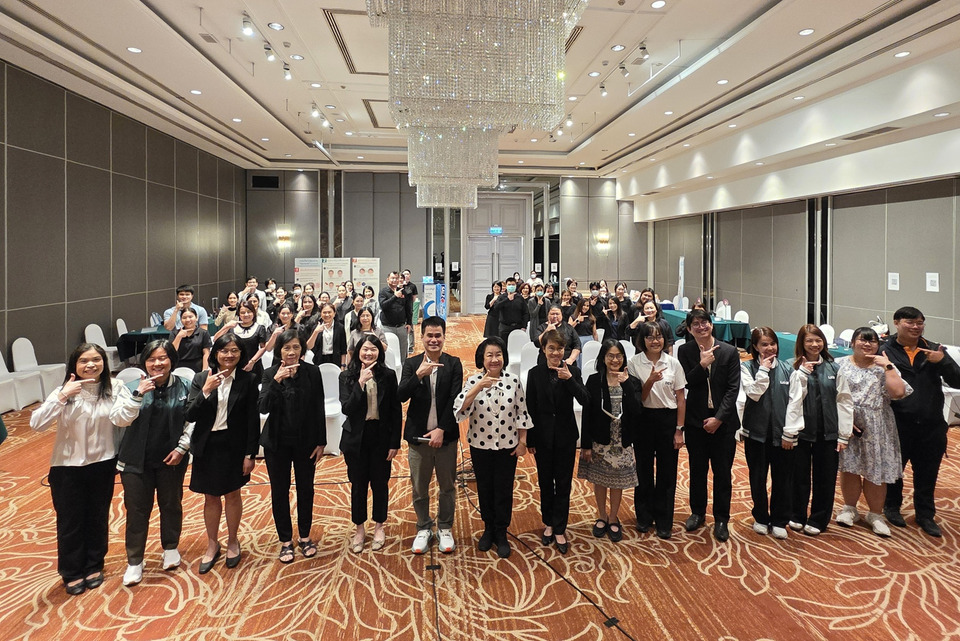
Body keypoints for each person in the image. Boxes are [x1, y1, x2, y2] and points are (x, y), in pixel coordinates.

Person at [30, 344, 125, 595]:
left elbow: (126, 417)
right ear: (74, 365)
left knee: (97, 517)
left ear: (104, 362)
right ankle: (71, 571)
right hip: (67, 467)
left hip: (103, 464)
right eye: (84, 361)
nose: (90, 365)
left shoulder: (115, 388)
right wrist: (62, 396)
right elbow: (37, 424)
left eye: (96, 359)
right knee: (70, 521)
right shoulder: (65, 391)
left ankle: (94, 565)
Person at [110, 340, 192, 586]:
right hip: (135, 460)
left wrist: (182, 448)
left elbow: (192, 421)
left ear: (172, 360)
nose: (157, 363)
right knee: (137, 510)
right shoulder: (130, 387)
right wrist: (138, 395)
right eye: (151, 359)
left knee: (171, 503)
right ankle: (135, 560)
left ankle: (171, 547)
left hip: (171, 458)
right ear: (144, 362)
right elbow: (119, 419)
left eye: (163, 358)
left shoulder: (185, 386)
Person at [880, 306, 960, 537]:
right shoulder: (885, 350)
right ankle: (891, 507)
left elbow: (957, 381)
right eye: (910, 322)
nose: (916, 327)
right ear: (896, 323)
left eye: (920, 323)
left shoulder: (934, 349)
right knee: (895, 470)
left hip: (931, 424)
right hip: (898, 423)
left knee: (927, 473)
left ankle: (925, 514)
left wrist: (942, 361)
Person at [185, 334, 260, 573]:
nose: (229, 355)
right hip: (207, 445)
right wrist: (206, 391)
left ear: (241, 354)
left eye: (234, 350)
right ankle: (212, 543)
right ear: (215, 354)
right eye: (224, 351)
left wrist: (250, 454)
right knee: (210, 497)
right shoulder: (201, 378)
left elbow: (252, 420)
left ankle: (233, 541)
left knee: (233, 494)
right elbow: (190, 414)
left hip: (233, 445)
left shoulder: (248, 380)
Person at [454, 337, 531, 559]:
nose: (494, 359)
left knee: (504, 489)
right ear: (482, 359)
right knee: (485, 488)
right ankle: (488, 528)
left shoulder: (513, 380)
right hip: (480, 445)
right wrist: (477, 387)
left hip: (507, 446)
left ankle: (501, 531)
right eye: (490, 355)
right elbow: (460, 409)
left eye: (498, 354)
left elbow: (521, 412)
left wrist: (523, 442)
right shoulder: (473, 381)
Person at [835, 327, 910, 537]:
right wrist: (843, 421)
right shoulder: (839, 364)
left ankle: (875, 515)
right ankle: (849, 509)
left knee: (876, 471)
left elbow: (899, 392)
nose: (867, 344)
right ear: (852, 343)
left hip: (878, 424)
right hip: (848, 423)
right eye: (862, 340)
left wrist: (887, 366)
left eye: (873, 341)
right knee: (849, 467)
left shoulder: (885, 367)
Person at [258, 330, 326, 563]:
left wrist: (321, 441)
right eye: (286, 348)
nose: (291, 352)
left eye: (296, 347)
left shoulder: (312, 372)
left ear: (302, 349)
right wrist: (277, 381)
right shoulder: (269, 374)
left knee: (306, 489)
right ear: (279, 351)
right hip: (277, 443)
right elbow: (263, 407)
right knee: (280, 490)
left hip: (306, 441)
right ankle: (285, 540)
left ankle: (305, 536)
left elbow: (319, 406)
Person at [398, 317, 464, 555]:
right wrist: (418, 375)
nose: (434, 340)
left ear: (444, 337)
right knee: (419, 487)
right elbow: (400, 396)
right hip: (418, 437)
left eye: (438, 336)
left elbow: (455, 399)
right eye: (429, 336)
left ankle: (445, 527)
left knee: (447, 486)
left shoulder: (453, 364)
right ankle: (424, 526)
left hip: (445, 437)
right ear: (422, 337)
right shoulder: (412, 363)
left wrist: (442, 429)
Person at [782, 324, 854, 537]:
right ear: (801, 343)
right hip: (801, 432)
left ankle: (819, 518)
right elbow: (788, 401)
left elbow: (844, 401)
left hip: (828, 432)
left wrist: (844, 434)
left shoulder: (834, 368)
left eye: (818, 340)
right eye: (809, 341)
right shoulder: (791, 366)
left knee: (825, 478)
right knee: (798, 476)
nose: (814, 344)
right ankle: (796, 514)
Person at [676, 309, 741, 542]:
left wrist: (719, 419)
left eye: (704, 323)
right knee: (697, 469)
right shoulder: (685, 351)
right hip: (696, 421)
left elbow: (733, 389)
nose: (701, 327)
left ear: (711, 325)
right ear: (689, 328)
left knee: (722, 472)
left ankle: (722, 518)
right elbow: (686, 383)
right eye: (696, 324)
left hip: (723, 422)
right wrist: (702, 365)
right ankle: (698, 512)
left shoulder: (729, 351)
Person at [525, 330, 589, 554]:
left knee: (563, 483)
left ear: (565, 350)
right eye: (551, 348)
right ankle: (549, 523)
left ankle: (560, 527)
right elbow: (530, 407)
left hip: (565, 436)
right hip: (542, 437)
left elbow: (585, 399)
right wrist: (530, 438)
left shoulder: (573, 371)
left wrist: (569, 380)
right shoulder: (534, 373)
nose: (555, 353)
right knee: (545, 482)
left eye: (559, 349)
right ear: (544, 349)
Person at [339, 335, 403, 553]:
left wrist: (394, 442)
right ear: (358, 351)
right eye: (365, 349)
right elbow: (347, 409)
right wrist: (360, 382)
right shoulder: (347, 376)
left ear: (379, 353)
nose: (368, 353)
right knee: (358, 486)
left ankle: (379, 526)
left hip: (380, 436)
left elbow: (395, 410)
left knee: (380, 483)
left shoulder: (388, 375)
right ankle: (359, 529)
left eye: (373, 349)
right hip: (356, 438)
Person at [628, 322, 687, 539]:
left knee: (667, 472)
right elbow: (638, 399)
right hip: (643, 419)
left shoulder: (673, 363)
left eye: (659, 336)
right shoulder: (634, 363)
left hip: (668, 421)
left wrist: (679, 430)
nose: (655, 341)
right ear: (642, 340)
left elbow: (680, 399)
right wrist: (650, 381)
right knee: (643, 470)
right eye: (650, 337)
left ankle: (664, 520)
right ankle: (644, 517)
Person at [580, 340, 641, 543]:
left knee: (617, 481)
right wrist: (586, 445)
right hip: (600, 439)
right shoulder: (594, 380)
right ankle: (601, 515)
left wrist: (626, 384)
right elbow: (587, 413)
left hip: (621, 440)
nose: (615, 360)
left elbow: (636, 410)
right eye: (610, 356)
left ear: (624, 358)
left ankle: (614, 517)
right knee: (600, 480)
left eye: (618, 356)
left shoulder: (632, 381)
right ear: (603, 358)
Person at [736, 327, 794, 539]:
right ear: (755, 347)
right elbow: (753, 393)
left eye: (772, 343)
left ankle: (779, 519)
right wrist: (763, 370)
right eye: (764, 344)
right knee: (757, 477)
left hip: (782, 435)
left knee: (783, 479)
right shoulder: (746, 367)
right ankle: (760, 517)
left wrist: (790, 432)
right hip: (756, 433)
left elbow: (795, 403)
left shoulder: (788, 369)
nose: (770, 348)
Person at [214, 301, 270, 380]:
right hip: (234, 365)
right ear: (239, 314)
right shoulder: (232, 327)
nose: (246, 315)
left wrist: (252, 362)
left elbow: (263, 347)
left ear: (253, 313)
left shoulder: (260, 328)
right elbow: (216, 339)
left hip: (253, 366)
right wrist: (226, 326)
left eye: (249, 312)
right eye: (243, 312)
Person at [379, 271, 410, 363]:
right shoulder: (383, 292)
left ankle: (403, 370)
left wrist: (409, 323)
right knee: (388, 352)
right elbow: (383, 306)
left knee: (403, 352)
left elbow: (408, 308)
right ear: (387, 280)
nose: (394, 280)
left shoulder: (404, 292)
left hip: (401, 326)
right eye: (392, 278)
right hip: (387, 327)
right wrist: (395, 297)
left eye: (396, 278)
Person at [169, 307, 212, 372]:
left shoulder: (203, 333)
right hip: (178, 368)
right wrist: (179, 337)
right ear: (181, 320)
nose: (188, 320)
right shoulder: (174, 333)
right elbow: (171, 352)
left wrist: (204, 370)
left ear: (196, 318)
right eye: (184, 318)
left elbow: (206, 353)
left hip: (197, 368)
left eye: (190, 317)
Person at [307, 302, 347, 368]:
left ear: (334, 313)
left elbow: (343, 349)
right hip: (319, 360)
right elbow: (309, 346)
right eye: (324, 312)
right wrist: (316, 332)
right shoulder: (316, 327)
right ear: (321, 314)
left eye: (329, 312)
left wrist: (343, 365)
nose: (327, 314)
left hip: (335, 360)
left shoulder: (340, 327)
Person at [493, 276, 530, 342]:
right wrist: (507, 299)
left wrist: (524, 326)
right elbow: (496, 307)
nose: (511, 286)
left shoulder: (520, 298)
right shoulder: (501, 297)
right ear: (506, 286)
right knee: (504, 345)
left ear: (516, 286)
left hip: (517, 327)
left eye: (513, 285)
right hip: (505, 327)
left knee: (517, 345)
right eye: (509, 285)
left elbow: (525, 312)